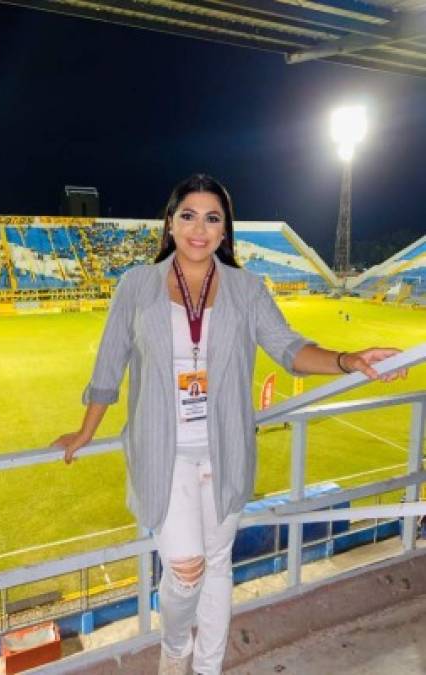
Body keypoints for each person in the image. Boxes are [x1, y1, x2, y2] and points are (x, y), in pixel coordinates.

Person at [52, 174, 406, 675]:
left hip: (225, 450)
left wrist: (348, 359)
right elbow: (110, 364)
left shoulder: (245, 288)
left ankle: (208, 667)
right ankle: (175, 649)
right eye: (189, 215)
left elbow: (290, 349)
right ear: (170, 224)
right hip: (163, 451)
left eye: (212, 218)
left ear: (225, 231)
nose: (200, 227)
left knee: (217, 566)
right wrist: (87, 429)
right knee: (185, 568)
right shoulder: (136, 285)